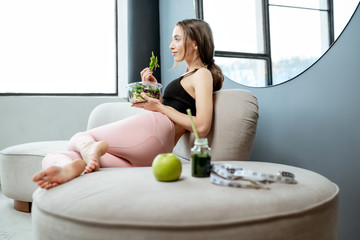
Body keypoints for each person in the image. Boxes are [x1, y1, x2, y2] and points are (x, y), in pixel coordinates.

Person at [32, 19, 224, 189]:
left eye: (177, 39)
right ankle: (68, 168)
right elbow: (177, 107)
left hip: (157, 129)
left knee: (81, 137)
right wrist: (149, 87)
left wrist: (160, 107)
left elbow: (202, 127)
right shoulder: (188, 76)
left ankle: (89, 148)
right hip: (156, 153)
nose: (171, 45)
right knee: (57, 156)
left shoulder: (202, 74)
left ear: (195, 43)